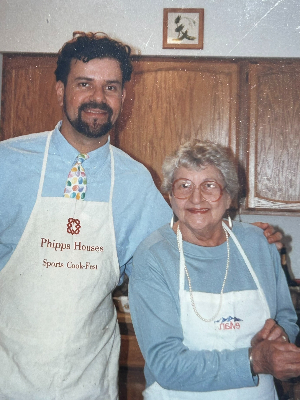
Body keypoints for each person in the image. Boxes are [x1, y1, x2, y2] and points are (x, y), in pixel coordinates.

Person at [0, 32, 283, 399]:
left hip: (88, 377)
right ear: (59, 90)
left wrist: (242, 235)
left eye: (111, 87)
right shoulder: (8, 163)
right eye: (84, 84)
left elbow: (180, 246)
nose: (98, 98)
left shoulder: (136, 180)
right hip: (7, 368)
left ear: (123, 97)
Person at [129, 139, 300, 400]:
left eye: (210, 186)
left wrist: (281, 337)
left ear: (229, 196)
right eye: (184, 186)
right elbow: (166, 364)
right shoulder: (153, 256)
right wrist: (254, 360)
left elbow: (287, 317)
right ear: (171, 196)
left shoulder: (258, 244)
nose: (196, 198)